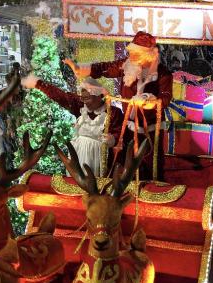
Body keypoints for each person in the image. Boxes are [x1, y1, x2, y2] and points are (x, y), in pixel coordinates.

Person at [64, 31, 173, 178]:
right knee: (125, 163)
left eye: (136, 55)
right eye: (131, 53)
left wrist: (148, 100)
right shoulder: (126, 65)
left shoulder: (163, 74)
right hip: (127, 126)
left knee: (148, 164)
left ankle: (149, 191)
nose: (131, 57)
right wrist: (82, 69)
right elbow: (104, 68)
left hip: (149, 131)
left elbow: (165, 99)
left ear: (147, 56)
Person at [21, 75, 123, 176]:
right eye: (83, 97)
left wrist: (112, 138)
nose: (85, 101)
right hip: (78, 156)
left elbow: (121, 134)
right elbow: (60, 96)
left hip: (98, 159)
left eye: (88, 96)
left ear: (98, 95)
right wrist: (39, 84)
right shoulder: (80, 106)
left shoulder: (113, 112)